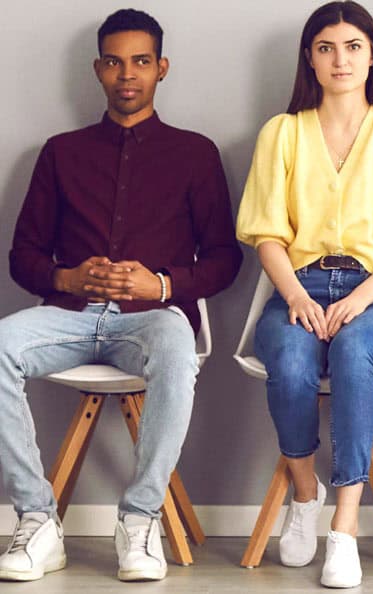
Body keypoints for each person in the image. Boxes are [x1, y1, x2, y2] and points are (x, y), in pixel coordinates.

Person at [0, 9, 242, 583]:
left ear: (161, 69)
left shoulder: (195, 153)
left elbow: (226, 259)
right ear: (98, 70)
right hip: (69, 317)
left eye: (139, 61)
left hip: (153, 318)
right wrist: (67, 280)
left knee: (177, 350)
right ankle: (38, 520)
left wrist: (158, 285)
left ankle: (139, 518)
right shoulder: (60, 152)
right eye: (113, 62)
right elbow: (22, 256)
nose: (125, 74)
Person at [236, 1, 373, 588]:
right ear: (310, 57)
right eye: (326, 47)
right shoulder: (282, 132)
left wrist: (359, 300)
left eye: (353, 46)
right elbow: (268, 235)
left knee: (353, 353)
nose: (340, 59)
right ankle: (306, 494)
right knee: (291, 358)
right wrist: (297, 298)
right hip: (295, 286)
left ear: (372, 54)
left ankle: (345, 529)